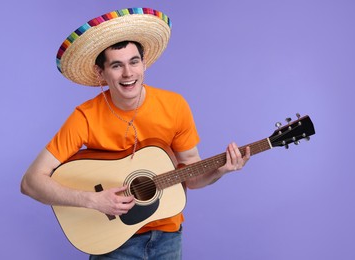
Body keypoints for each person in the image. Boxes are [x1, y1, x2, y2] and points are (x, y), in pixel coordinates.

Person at [21, 7, 250, 259]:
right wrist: (93, 201)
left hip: (168, 237)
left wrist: (221, 170)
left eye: (134, 61)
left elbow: (192, 176)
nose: (128, 73)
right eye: (117, 65)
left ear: (144, 64)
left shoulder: (174, 106)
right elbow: (31, 182)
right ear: (101, 73)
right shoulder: (85, 117)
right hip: (111, 241)